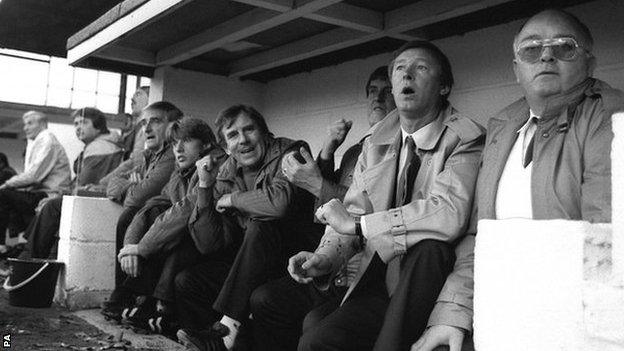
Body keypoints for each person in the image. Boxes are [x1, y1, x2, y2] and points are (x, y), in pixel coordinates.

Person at [412, 9, 624, 351]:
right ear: (516, 70)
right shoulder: (503, 126)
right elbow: (479, 236)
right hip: (501, 310)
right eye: (531, 49)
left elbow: (608, 246)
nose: (545, 55)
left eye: (564, 47)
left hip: (572, 321)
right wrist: (453, 312)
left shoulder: (612, 116)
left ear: (590, 63)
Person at [291, 40, 484, 351]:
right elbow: (352, 211)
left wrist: (360, 227)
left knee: (430, 247)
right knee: (316, 340)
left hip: (434, 285)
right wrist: (323, 258)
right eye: (399, 70)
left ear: (444, 86)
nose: (406, 76)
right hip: (382, 278)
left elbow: (448, 214)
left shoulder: (466, 139)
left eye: (420, 68)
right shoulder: (375, 143)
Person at [249, 66, 396, 351]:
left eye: (387, 91)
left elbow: (368, 207)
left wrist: (317, 183)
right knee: (264, 299)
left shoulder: (401, 147)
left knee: (315, 324)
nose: (378, 98)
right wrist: (328, 151)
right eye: (372, 92)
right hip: (332, 262)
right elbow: (328, 204)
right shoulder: (356, 150)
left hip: (365, 273)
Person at [175, 104, 322, 351]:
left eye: (249, 130)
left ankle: (227, 331)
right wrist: (204, 187)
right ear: (225, 146)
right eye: (233, 135)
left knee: (259, 226)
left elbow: (279, 204)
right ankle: (211, 342)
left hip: (296, 259)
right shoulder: (225, 172)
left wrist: (232, 199)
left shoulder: (291, 150)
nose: (243, 140)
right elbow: (209, 243)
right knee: (187, 281)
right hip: (252, 262)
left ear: (264, 132)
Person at [113, 117, 226, 335]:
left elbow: (186, 210)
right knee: (153, 214)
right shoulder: (180, 172)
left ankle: (161, 307)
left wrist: (142, 248)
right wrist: (131, 248)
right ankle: (143, 299)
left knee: (179, 236)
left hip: (219, 244)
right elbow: (150, 206)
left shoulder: (215, 165)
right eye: (174, 144)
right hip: (199, 239)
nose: (179, 149)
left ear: (206, 145)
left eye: (186, 141)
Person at [100, 101, 182, 320]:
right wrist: (132, 185)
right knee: (134, 214)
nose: (146, 129)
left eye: (154, 121)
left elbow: (137, 198)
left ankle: (127, 294)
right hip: (156, 223)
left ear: (174, 125)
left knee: (136, 214)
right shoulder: (149, 156)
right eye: (143, 123)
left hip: (177, 225)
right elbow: (113, 184)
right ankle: (127, 293)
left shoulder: (172, 154)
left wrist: (133, 187)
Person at [19, 107, 124, 259]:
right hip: (91, 196)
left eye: (84, 122)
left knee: (50, 207)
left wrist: (57, 197)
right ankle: (27, 255)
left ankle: (28, 260)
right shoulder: (96, 144)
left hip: (97, 200)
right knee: (46, 206)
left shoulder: (101, 147)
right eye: (75, 124)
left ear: (98, 125)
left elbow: (85, 183)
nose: (78, 127)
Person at [0, 111, 71, 256]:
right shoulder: (40, 141)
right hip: (41, 192)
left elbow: (33, 176)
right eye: (25, 124)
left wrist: (7, 184)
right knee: (11, 197)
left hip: (50, 194)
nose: (25, 128)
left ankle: (4, 243)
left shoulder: (47, 141)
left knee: (3, 194)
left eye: (30, 123)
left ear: (43, 124)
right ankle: (19, 241)